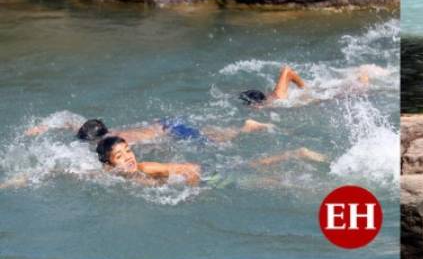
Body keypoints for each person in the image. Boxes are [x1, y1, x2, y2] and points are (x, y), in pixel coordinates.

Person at [26, 117, 274, 144]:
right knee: (212, 132)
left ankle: (245, 128)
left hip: (171, 130)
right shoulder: (97, 130)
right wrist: (44, 126)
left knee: (214, 141)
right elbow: (68, 118)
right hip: (165, 122)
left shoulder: (118, 140)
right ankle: (241, 126)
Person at [96, 136, 201, 186]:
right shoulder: (109, 174)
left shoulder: (146, 169)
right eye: (119, 156)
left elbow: (193, 168)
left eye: (128, 151)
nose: (128, 157)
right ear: (109, 164)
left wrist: (191, 192)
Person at [240, 65, 305, 106]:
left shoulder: (279, 99)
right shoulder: (267, 105)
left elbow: (287, 71)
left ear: (256, 105)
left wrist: (304, 89)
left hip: (280, 97)